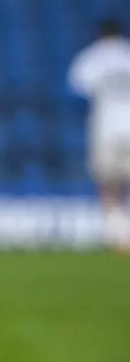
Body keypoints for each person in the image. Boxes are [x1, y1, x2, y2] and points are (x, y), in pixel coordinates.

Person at [69, 19, 130, 253]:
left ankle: (119, 237)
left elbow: (77, 92)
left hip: (106, 128)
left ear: (99, 34)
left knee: (108, 186)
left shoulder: (93, 57)